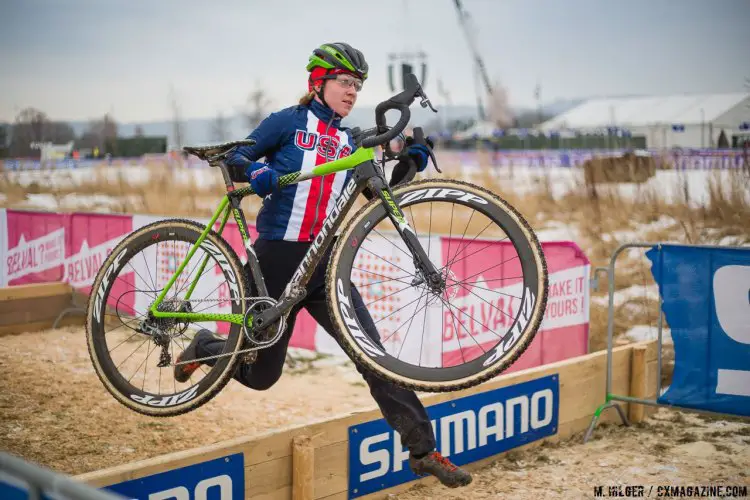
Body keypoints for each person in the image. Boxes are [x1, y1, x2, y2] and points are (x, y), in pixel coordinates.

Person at [174, 42, 472, 488]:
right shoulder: (287, 122)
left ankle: (423, 450)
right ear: (319, 82)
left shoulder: (349, 140)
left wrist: (411, 160)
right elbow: (239, 158)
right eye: (344, 82)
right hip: (277, 257)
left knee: (374, 356)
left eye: (358, 85)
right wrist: (256, 174)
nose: (352, 92)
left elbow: (381, 194)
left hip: (325, 263)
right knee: (261, 376)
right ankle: (206, 346)